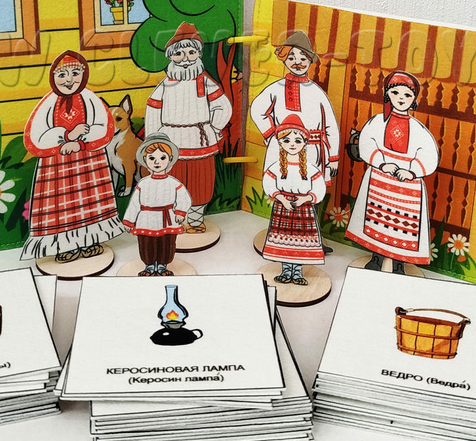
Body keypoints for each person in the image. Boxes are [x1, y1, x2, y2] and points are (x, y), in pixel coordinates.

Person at [20, 50, 124, 263]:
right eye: (62, 75)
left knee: (90, 202)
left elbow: (104, 127)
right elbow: (36, 137)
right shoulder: (48, 103)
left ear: (84, 74)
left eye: (75, 73)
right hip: (56, 166)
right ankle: (64, 246)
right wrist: (66, 136)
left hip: (89, 162)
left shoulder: (89, 98)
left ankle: (90, 241)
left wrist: (80, 142)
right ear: (53, 77)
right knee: (61, 207)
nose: (69, 80)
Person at [344, 71, 439, 273]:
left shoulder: (419, 130)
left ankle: (398, 266)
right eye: (395, 93)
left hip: (407, 189)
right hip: (378, 182)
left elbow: (429, 156)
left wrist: (412, 171)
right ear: (387, 94)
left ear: (414, 99)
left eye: (407, 95)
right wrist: (381, 163)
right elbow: (367, 143)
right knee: (376, 221)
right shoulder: (377, 122)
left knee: (403, 228)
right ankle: (376, 260)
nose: (401, 99)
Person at [144, 22, 231, 232]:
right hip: (171, 140)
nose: (185, 59)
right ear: (171, 56)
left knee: (201, 181)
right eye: (179, 54)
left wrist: (213, 128)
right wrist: (153, 139)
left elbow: (223, 106)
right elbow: (153, 109)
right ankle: (175, 221)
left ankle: (195, 220)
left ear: (198, 55)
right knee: (173, 180)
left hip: (200, 140)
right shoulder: (165, 85)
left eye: (191, 53)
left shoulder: (206, 83)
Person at [249, 30, 340, 181]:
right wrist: (270, 133)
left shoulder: (317, 93)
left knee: (310, 186)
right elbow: (257, 109)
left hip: (312, 151)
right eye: (291, 58)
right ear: (284, 60)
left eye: (303, 58)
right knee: (279, 182)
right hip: (281, 147)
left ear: (309, 60)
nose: (297, 63)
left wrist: (334, 157)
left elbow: (330, 126)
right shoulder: (276, 88)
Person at [260, 116, 327, 285]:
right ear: (280, 143)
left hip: (303, 208)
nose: (292, 144)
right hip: (283, 207)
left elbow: (319, 188)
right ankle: (285, 271)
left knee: (300, 242)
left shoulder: (311, 169)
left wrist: (306, 198)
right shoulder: (276, 167)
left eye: (297, 140)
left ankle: (297, 273)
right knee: (284, 240)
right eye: (287, 140)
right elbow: (268, 182)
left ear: (304, 143)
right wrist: (281, 198)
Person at [122, 135, 191, 276]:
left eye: (162, 158)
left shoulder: (173, 183)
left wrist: (180, 212)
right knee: (147, 243)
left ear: (170, 159)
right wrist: (129, 221)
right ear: (145, 160)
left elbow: (184, 198)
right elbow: (135, 203)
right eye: (152, 158)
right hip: (146, 219)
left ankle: (162, 267)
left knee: (166, 243)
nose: (157, 162)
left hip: (168, 219)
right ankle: (149, 266)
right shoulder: (143, 183)